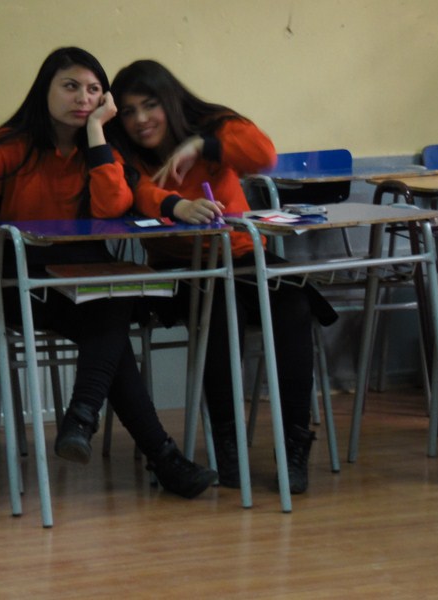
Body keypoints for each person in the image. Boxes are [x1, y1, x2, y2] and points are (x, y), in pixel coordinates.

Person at [0, 47, 217, 499]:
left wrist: (96, 133)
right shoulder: (13, 144)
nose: (82, 98)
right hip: (24, 284)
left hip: (88, 278)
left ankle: (86, 420)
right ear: (46, 89)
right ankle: (153, 453)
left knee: (114, 300)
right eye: (71, 86)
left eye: (94, 90)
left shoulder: (101, 147)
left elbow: (113, 204)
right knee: (112, 323)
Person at [110, 60, 337, 494]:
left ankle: (294, 444)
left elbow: (262, 154)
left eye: (150, 106)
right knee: (216, 307)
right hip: (182, 270)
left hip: (245, 258)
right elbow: (136, 191)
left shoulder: (213, 125)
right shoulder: (125, 151)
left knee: (293, 302)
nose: (140, 120)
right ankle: (227, 446)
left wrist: (203, 145)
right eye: (129, 111)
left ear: (170, 102)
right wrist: (175, 205)